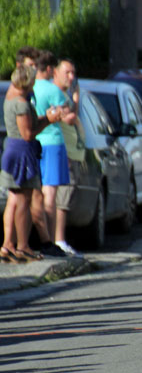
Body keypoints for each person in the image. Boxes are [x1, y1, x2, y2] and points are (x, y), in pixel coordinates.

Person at [2, 48, 67, 258]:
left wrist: (46, 118)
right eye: (30, 69)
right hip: (21, 153)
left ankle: (10, 245)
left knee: (17, 199)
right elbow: (28, 134)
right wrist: (48, 120)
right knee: (23, 201)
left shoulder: (15, 96)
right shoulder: (20, 102)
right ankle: (22, 246)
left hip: (17, 150)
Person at [32, 50, 77, 251]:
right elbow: (68, 115)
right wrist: (74, 99)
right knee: (50, 194)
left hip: (34, 141)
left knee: (36, 194)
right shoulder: (52, 90)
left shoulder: (30, 87)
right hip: (52, 141)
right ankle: (50, 241)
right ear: (50, 69)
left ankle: (38, 238)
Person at [52, 57, 84, 257]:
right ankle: (58, 239)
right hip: (63, 154)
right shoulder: (56, 94)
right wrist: (74, 102)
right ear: (55, 72)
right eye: (67, 72)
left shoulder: (65, 94)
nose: (71, 77)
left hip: (71, 153)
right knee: (61, 200)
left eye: (73, 73)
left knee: (66, 198)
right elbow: (68, 119)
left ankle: (59, 239)